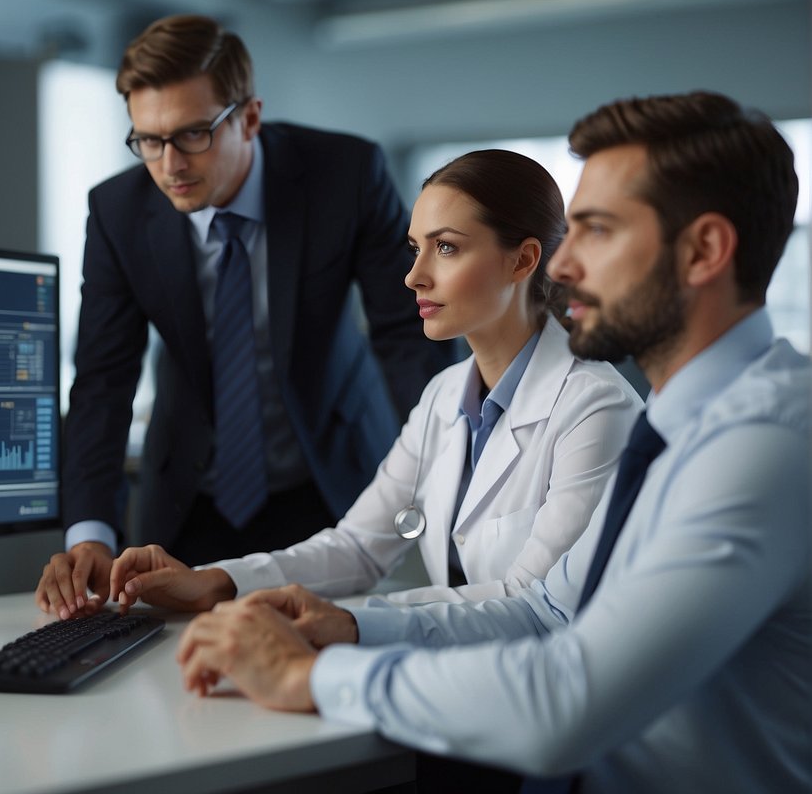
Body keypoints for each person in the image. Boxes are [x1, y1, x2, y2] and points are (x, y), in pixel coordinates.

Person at [175, 90, 809, 794]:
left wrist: (310, 674)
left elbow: (568, 697)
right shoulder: (679, 421)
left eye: (596, 232)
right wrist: (340, 626)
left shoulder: (761, 444)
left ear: (703, 251)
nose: (562, 268)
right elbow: (545, 609)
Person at [35, 14, 454, 619]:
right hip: (190, 494)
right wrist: (90, 536)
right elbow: (103, 380)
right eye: (148, 140)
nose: (169, 164)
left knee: (324, 658)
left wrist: (446, 464)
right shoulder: (118, 212)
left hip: (329, 480)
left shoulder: (345, 175)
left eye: (193, 134)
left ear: (249, 117)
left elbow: (407, 333)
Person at [108, 149, 642, 617]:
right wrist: (214, 582)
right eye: (415, 248)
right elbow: (359, 547)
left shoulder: (597, 408)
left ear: (523, 260)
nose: (414, 276)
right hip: (454, 677)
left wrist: (346, 621)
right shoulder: (444, 395)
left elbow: (532, 603)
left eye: (447, 248)